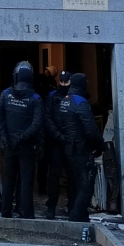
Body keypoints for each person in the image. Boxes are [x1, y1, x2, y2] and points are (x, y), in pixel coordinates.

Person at [0, 61, 44, 219]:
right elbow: (37, 123)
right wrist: (23, 137)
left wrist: (5, 138)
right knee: (26, 182)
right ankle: (27, 214)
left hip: (9, 145)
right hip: (26, 146)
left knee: (8, 180)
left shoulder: (6, 94)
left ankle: (5, 212)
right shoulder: (35, 98)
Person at [60, 72, 104, 222]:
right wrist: (100, 145)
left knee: (74, 184)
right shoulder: (81, 102)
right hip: (80, 148)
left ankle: (76, 213)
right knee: (86, 185)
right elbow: (90, 129)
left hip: (68, 147)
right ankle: (76, 217)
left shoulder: (65, 100)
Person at [45, 70, 71, 218]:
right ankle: (51, 206)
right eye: (61, 81)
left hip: (70, 142)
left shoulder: (74, 97)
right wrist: (57, 135)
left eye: (65, 82)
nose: (63, 84)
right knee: (54, 176)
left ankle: (71, 205)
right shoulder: (52, 96)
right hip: (56, 142)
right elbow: (47, 117)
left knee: (71, 176)